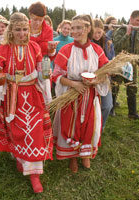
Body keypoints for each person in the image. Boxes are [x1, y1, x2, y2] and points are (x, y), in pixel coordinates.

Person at [0, 12, 53, 193]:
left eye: (25, 29)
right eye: (18, 30)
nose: (22, 33)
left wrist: (45, 74)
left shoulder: (35, 47)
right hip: (12, 96)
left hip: (32, 94)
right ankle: (20, 158)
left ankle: (34, 175)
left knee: (35, 130)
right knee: (17, 130)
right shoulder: (3, 49)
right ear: (11, 30)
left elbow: (40, 71)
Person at [52, 14, 109, 173]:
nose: (74, 31)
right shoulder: (66, 50)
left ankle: (85, 154)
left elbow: (105, 72)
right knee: (71, 125)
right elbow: (55, 75)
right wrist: (73, 84)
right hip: (71, 96)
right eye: (73, 28)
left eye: (78, 28)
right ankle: (72, 157)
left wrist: (96, 80)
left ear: (88, 29)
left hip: (90, 97)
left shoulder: (97, 50)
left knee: (89, 124)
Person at [112, 10, 139, 119]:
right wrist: (127, 34)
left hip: (132, 65)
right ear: (131, 18)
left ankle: (132, 113)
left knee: (132, 88)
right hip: (120, 63)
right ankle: (111, 109)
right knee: (115, 86)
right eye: (137, 20)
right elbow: (117, 46)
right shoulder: (121, 30)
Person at [92, 18, 113, 129]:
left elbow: (111, 58)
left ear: (103, 31)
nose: (97, 35)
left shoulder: (108, 43)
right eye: (94, 32)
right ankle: (90, 127)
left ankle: (100, 127)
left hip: (104, 77)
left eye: (99, 32)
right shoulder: (87, 42)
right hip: (90, 78)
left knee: (107, 105)